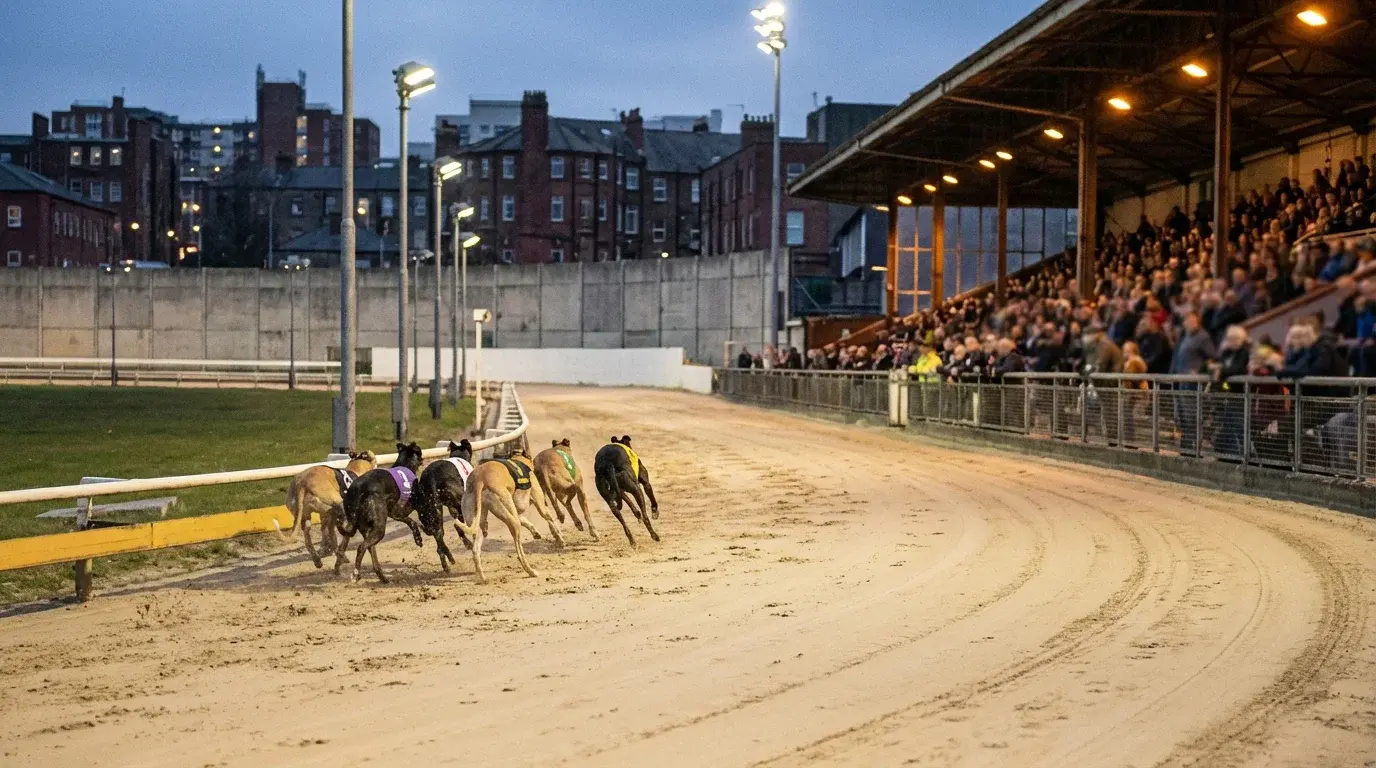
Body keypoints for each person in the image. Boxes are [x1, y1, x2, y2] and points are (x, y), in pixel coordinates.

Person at [1170, 313, 1217, 456]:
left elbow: (1212, 357)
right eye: (1186, 321)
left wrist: (1199, 371)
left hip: (1193, 383)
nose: (1188, 324)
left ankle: (1193, 449)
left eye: (1191, 321)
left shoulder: (1203, 337)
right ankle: (1186, 447)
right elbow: (1177, 358)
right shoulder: (1185, 338)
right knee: (1182, 416)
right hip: (1181, 381)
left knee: (1192, 416)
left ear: (1198, 322)